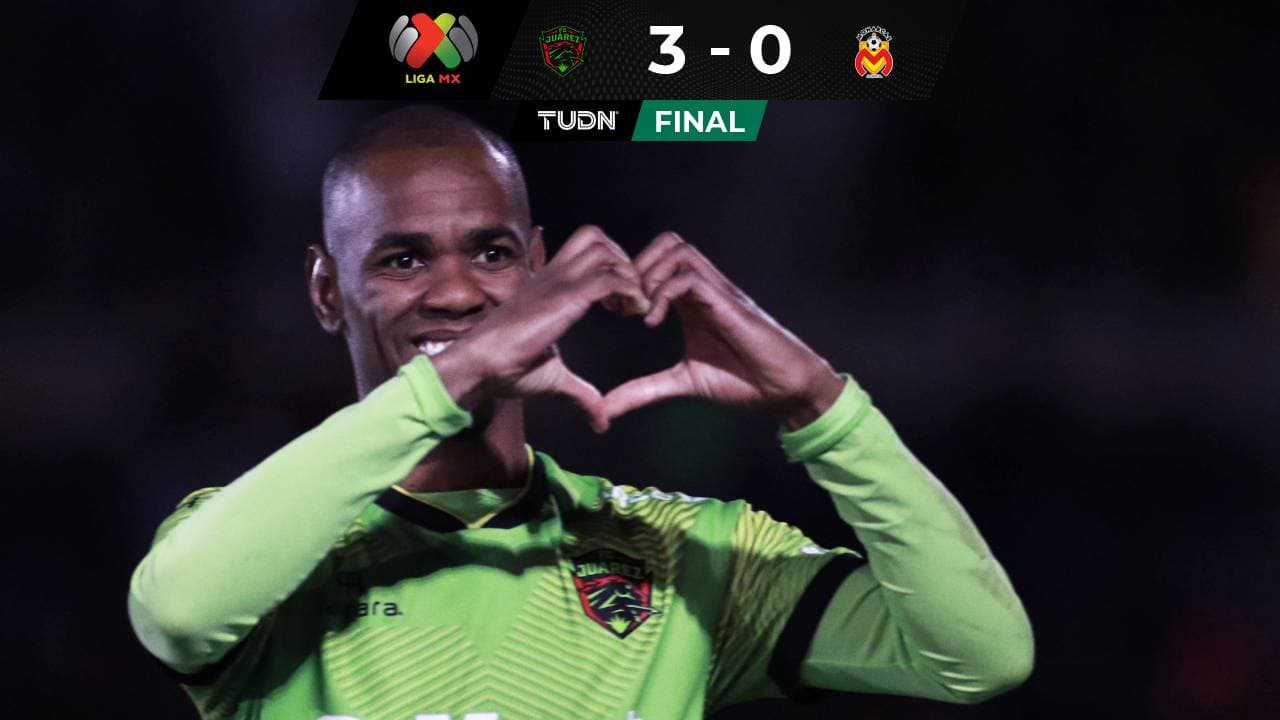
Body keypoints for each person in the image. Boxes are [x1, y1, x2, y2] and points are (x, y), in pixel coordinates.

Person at [127, 105, 1034, 720]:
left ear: (538, 267)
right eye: (403, 260)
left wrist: (822, 405)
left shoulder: (686, 555)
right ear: (327, 291)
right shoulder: (254, 545)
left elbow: (982, 655)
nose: (457, 292)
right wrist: (456, 376)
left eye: (491, 254)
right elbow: (177, 611)